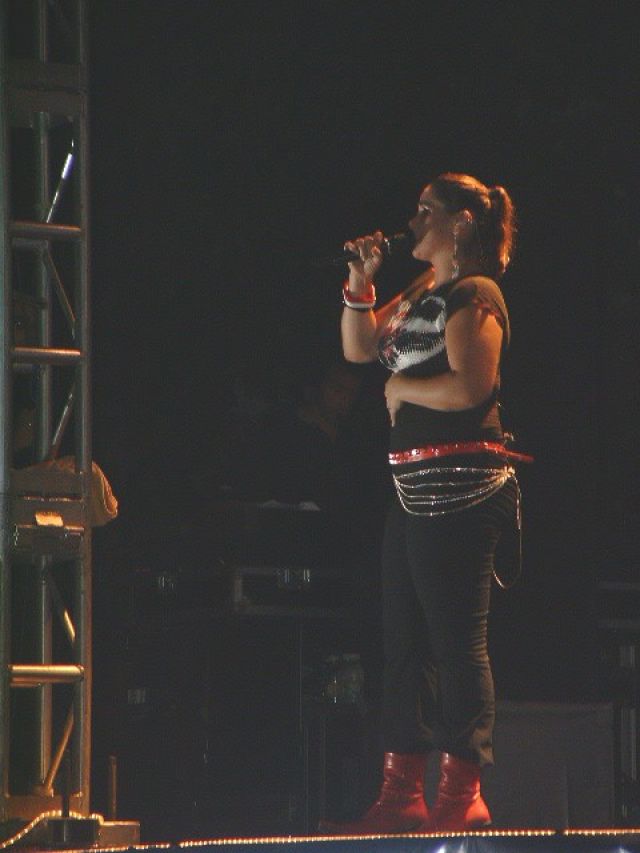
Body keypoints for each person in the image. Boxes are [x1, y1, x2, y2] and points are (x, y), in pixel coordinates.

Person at [320, 172, 529, 834]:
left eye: (425, 210)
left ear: (461, 222)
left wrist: (406, 391)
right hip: (412, 488)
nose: (412, 221)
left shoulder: (475, 293)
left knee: (457, 640)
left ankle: (462, 789)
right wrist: (361, 281)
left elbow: (472, 385)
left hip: (462, 486)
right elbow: (358, 348)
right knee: (404, 640)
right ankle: (401, 789)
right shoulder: (421, 291)